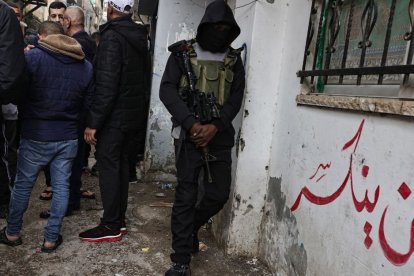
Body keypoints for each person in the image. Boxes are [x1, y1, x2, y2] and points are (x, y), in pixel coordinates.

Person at [159, 1, 245, 275]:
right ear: (205, 26)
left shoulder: (233, 59)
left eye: (225, 28)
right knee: (186, 194)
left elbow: (235, 98)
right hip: (187, 135)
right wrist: (192, 123)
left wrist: (216, 126)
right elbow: (167, 90)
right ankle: (181, 258)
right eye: (215, 27)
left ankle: (191, 227)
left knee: (218, 194)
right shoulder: (183, 54)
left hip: (219, 135)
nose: (220, 32)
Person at [0, 21, 93, 252]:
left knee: (23, 185)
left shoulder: (33, 59)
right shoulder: (85, 66)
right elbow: (88, 103)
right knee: (62, 187)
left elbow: (17, 90)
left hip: (35, 133)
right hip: (68, 135)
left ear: (43, 37)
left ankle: (12, 233)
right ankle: (51, 239)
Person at [79, 0, 149, 242]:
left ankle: (110, 225)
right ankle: (117, 221)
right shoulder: (139, 37)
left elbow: (107, 84)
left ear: (110, 8)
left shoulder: (112, 38)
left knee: (109, 168)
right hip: (130, 116)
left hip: (114, 118)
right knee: (119, 167)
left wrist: (93, 123)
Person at [37, 1, 68, 202]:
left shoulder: (75, 45)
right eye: (53, 16)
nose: (56, 19)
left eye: (60, 16)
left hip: (67, 118)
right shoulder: (36, 47)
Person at [0, 0, 25, 219]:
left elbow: (10, 72)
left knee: (6, 156)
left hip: (5, 106)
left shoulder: (3, 15)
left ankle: (7, 207)